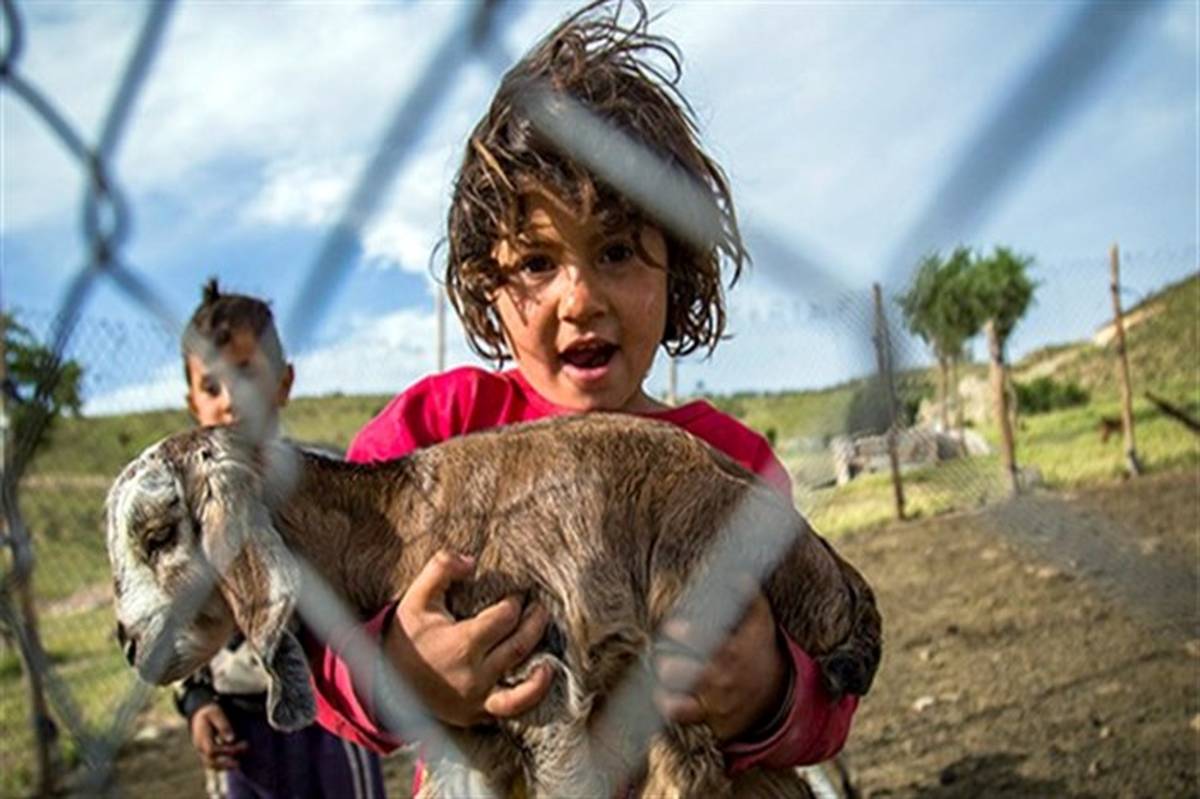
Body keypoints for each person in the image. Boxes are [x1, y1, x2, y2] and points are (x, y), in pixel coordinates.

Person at [307, 0, 875, 792]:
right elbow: (320, 637)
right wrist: (404, 671)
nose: (580, 299)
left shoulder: (722, 464)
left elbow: (828, 685)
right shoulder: (437, 431)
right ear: (486, 283)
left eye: (615, 251)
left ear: (677, 264)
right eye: (537, 263)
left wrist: (767, 690)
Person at [174, 279, 387, 799]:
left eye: (246, 374)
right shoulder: (187, 512)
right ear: (193, 404)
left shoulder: (331, 482)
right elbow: (181, 615)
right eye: (211, 387)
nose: (230, 401)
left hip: (332, 705)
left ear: (284, 383)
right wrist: (198, 703)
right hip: (240, 720)